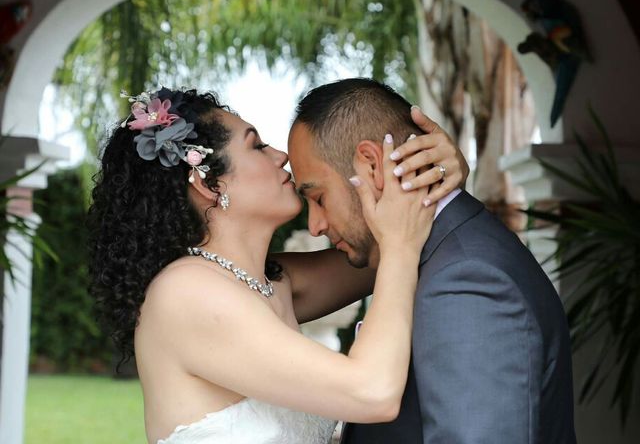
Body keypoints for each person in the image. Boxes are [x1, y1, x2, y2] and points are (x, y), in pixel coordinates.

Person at [87, 86, 468, 443]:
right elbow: (373, 393)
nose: (281, 156)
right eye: (257, 146)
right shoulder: (186, 293)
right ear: (209, 183)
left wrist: (439, 175)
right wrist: (400, 244)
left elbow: (393, 249)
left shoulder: (271, 282)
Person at [288, 77, 577, 444]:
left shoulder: (467, 280)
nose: (315, 226)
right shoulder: (425, 254)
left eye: (318, 198)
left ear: (372, 166)